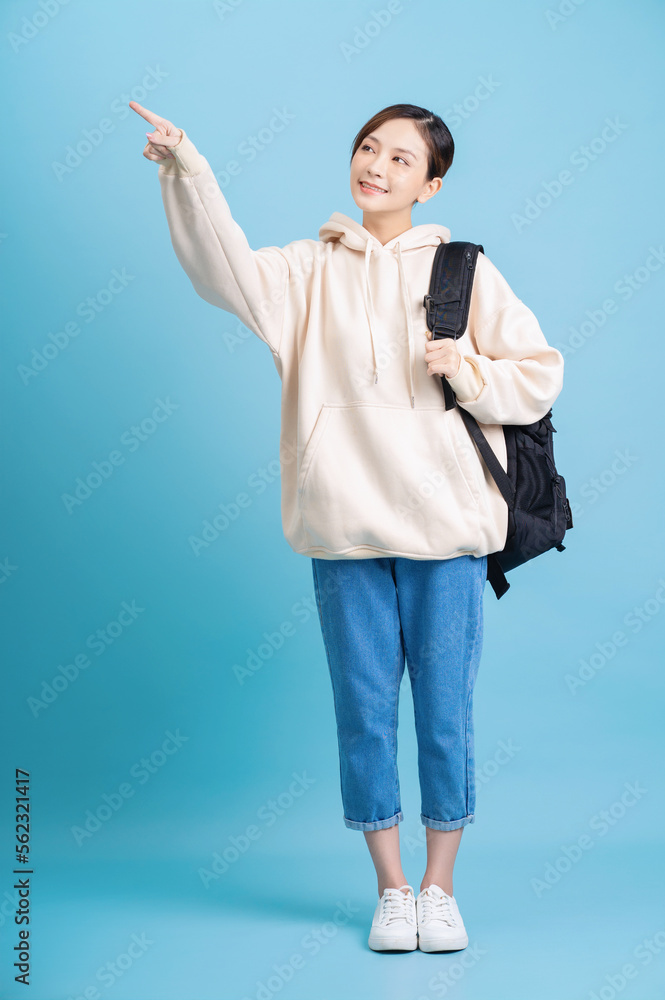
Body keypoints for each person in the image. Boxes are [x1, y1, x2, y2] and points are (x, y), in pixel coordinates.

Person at [130, 100, 564, 953]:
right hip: (343, 532)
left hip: (445, 536)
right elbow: (221, 269)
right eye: (369, 148)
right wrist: (187, 167)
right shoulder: (305, 270)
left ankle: (440, 888)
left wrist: (467, 369)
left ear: (430, 183)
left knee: (444, 712)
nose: (377, 166)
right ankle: (391, 890)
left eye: (402, 159)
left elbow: (539, 377)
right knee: (363, 713)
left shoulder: (463, 271)